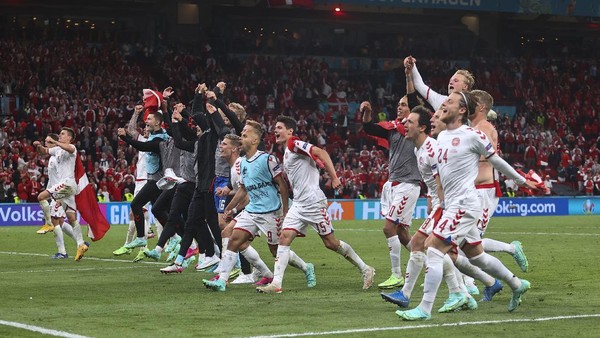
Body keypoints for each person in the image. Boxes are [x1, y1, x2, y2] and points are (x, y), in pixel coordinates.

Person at [397, 91, 536, 321]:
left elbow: (496, 161)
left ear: (462, 110)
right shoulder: (440, 137)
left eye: (450, 101)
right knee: (476, 255)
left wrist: (522, 181)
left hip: (465, 204)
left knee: (432, 247)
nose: (444, 104)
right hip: (452, 204)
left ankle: (424, 308)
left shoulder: (473, 135)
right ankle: (516, 283)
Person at [256, 116, 375, 293]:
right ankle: (277, 284)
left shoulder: (293, 143)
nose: (275, 130)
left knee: (331, 243)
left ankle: (366, 269)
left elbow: (321, 152)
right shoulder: (287, 152)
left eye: (279, 127)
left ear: (290, 131)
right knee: (284, 237)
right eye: (275, 127)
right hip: (299, 204)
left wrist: (334, 177)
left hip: (313, 203)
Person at [380, 106, 477, 312]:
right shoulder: (418, 148)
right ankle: (461, 293)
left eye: (410, 122)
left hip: (448, 203)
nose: (404, 125)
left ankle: (414, 295)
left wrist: (441, 205)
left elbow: (440, 179)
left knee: (428, 245)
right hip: (441, 203)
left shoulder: (431, 148)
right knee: (428, 247)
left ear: (422, 127)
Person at [203, 122, 314, 291]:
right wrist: (230, 208)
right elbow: (243, 189)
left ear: (255, 140)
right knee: (234, 239)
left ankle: (306, 267)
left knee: (276, 251)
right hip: (252, 210)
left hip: (271, 212)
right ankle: (222, 280)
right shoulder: (244, 164)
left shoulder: (267, 159)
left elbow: (282, 185)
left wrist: (285, 211)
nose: (241, 137)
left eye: (245, 134)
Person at [360, 97, 421, 290]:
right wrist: (367, 113)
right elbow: (371, 128)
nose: (399, 107)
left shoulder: (418, 131)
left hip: (408, 184)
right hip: (393, 185)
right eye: (398, 105)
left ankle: (397, 275)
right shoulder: (394, 128)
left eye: (403, 105)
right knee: (402, 233)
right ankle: (429, 266)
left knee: (388, 228)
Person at [470, 90, 529, 275]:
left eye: (473, 101)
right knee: (465, 240)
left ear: (481, 107)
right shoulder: (475, 125)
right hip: (473, 188)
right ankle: (473, 284)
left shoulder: (485, 127)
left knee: (472, 241)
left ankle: (476, 283)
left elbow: (486, 156)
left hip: (485, 190)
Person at [34, 128, 90, 261]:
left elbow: (69, 149)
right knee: (71, 217)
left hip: (67, 183)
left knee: (41, 197)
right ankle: (80, 244)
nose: (60, 135)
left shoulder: (71, 147)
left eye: (63, 134)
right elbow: (44, 151)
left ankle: (48, 224)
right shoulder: (57, 151)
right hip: (65, 188)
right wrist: (38, 146)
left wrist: (55, 141)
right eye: (59, 134)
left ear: (69, 138)